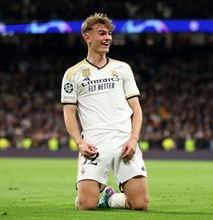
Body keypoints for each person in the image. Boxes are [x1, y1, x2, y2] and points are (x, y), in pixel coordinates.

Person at [61, 13, 149, 211]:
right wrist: (80, 142)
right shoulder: (72, 74)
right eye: (102, 33)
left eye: (109, 34)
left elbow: (137, 109)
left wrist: (134, 138)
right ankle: (90, 194)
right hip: (94, 143)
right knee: (85, 205)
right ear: (87, 37)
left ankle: (110, 198)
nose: (108, 38)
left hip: (123, 141)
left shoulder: (123, 68)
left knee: (140, 204)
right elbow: (69, 113)